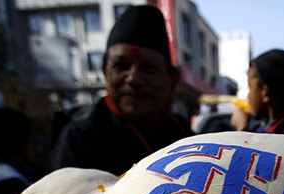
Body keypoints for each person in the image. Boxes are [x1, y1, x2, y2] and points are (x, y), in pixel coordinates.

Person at [51, 5, 193, 175]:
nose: (133, 79)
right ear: (105, 71)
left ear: (172, 80)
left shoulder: (185, 137)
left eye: (149, 68)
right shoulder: (80, 137)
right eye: (121, 65)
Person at [230, 49, 284, 135]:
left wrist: (242, 128)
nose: (248, 96)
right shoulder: (262, 127)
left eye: (250, 87)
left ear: (265, 93)